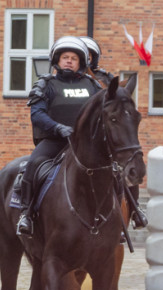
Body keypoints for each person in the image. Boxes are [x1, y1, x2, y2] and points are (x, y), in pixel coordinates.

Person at [15, 36, 102, 236]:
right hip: (55, 141)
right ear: (57, 60)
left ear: (81, 62)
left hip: (86, 145)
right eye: (65, 57)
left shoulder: (93, 87)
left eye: (74, 58)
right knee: (33, 163)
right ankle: (26, 214)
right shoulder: (47, 85)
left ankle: (129, 214)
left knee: (113, 168)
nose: (69, 61)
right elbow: (37, 114)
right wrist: (58, 128)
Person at [80, 35, 148, 230]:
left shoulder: (105, 80)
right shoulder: (62, 80)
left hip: (101, 137)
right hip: (74, 135)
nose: (84, 59)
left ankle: (134, 211)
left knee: (123, 171)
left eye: (88, 55)